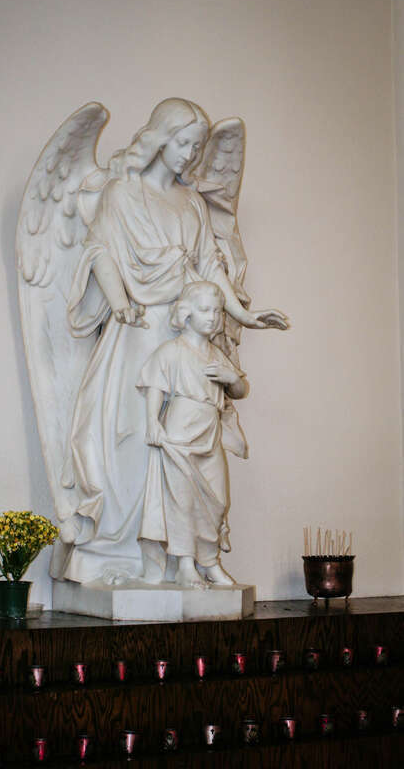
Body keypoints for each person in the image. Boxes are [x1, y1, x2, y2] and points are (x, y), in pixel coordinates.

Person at [55, 98, 286, 585]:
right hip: (138, 331)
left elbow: (209, 269)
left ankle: (182, 558)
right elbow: (99, 251)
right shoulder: (123, 193)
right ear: (161, 137)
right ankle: (123, 554)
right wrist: (119, 302)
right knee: (134, 441)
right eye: (184, 143)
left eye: (198, 147)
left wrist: (244, 312)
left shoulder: (192, 204)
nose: (191, 156)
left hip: (182, 334)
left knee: (183, 449)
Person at [137, 281, 247, 587]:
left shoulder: (216, 355)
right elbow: (155, 387)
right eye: (204, 310)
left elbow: (238, 390)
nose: (212, 317)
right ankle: (186, 564)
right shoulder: (171, 351)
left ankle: (210, 562)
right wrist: (152, 422)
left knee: (217, 498)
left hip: (209, 433)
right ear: (187, 313)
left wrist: (232, 377)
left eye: (217, 311)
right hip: (180, 432)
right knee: (181, 500)